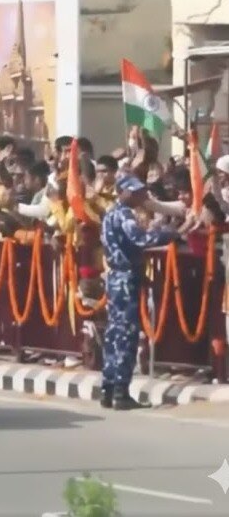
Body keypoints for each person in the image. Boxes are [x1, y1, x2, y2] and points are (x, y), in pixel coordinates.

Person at [99, 174, 181, 410]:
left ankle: (108, 388)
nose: (139, 196)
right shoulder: (123, 215)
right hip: (125, 278)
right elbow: (140, 239)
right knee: (126, 335)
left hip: (116, 277)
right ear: (122, 192)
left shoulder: (109, 215)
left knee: (114, 335)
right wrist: (172, 233)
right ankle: (121, 392)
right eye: (134, 192)